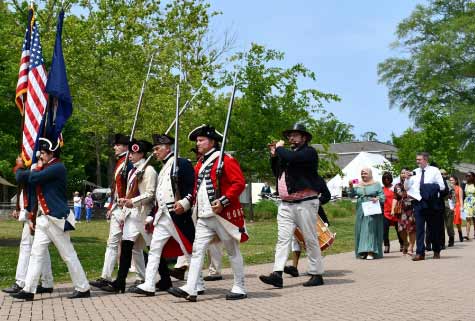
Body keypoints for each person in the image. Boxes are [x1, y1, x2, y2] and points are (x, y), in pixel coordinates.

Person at [168, 124, 248, 301]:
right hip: (204, 215)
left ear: (212, 141)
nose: (198, 143)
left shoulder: (225, 160)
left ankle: (240, 286)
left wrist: (223, 201)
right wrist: (185, 204)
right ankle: (191, 287)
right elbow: (197, 191)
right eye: (197, 140)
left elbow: (239, 183)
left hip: (223, 215)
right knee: (197, 251)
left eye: (201, 140)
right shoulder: (200, 164)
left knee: (232, 250)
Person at [11, 137, 90, 300]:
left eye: (43, 153)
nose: (40, 156)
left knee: (68, 254)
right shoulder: (45, 167)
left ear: (52, 153)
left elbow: (31, 179)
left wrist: (20, 167)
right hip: (43, 218)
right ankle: (29, 289)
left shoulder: (57, 167)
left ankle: (83, 287)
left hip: (55, 218)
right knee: (36, 253)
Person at [129, 133, 196, 296]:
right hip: (162, 216)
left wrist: (185, 203)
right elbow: (160, 196)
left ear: (168, 148)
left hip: (177, 215)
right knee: (154, 249)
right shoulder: (164, 167)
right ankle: (149, 284)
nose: (155, 152)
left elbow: (191, 188)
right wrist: (152, 215)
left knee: (189, 250)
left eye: (158, 148)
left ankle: (197, 283)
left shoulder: (181, 163)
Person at [259, 123, 325, 288]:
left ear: (304, 138)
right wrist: (274, 156)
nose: (291, 138)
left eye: (295, 135)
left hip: (305, 203)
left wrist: (280, 149)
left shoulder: (308, 152)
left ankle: (317, 273)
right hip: (286, 204)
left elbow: (293, 159)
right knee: (283, 239)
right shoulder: (287, 154)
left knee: (310, 238)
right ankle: (277, 273)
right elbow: (277, 172)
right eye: (290, 136)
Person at [99, 139, 156, 293]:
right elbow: (127, 190)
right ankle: (120, 282)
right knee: (127, 249)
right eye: (130, 152)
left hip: (144, 213)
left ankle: (163, 279)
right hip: (131, 213)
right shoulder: (132, 170)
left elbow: (149, 194)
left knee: (154, 249)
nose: (130, 155)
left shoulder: (149, 170)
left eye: (134, 152)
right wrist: (124, 206)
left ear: (141, 154)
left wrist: (132, 201)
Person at [89, 134, 146, 289]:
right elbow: (116, 187)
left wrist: (124, 205)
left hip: (127, 208)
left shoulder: (129, 164)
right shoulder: (121, 162)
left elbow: (133, 188)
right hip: (117, 206)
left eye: (118, 144)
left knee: (134, 246)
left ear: (126, 147)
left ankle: (143, 277)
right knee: (113, 243)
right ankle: (106, 276)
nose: (114, 147)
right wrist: (111, 206)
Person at [2, 166, 54, 295]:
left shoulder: (32, 177)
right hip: (31, 216)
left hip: (33, 217)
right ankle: (47, 282)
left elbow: (34, 199)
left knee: (26, 247)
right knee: (42, 249)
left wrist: (31, 218)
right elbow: (23, 196)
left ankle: (21, 282)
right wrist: (18, 209)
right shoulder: (28, 179)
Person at [284, 176, 331, 277]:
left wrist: (315, 202)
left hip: (315, 214)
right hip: (296, 212)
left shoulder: (317, 178)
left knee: (313, 240)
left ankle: (316, 269)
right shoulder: (293, 178)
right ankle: (294, 268)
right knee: (296, 239)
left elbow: (327, 195)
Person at [405, 152, 445, 261]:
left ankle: (436, 250)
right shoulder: (415, 172)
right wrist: (407, 179)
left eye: (419, 159)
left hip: (431, 203)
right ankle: (420, 253)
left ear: (425, 160)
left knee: (433, 229)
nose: (417, 161)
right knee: (419, 229)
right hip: (418, 203)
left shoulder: (434, 170)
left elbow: (441, 186)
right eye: (417, 159)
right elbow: (407, 188)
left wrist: (427, 188)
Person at [349, 168, 385, 260]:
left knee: (370, 229)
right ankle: (363, 251)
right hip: (361, 209)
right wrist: (351, 186)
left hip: (371, 208)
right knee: (361, 229)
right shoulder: (359, 185)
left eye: (365, 173)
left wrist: (377, 199)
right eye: (362, 173)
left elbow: (382, 197)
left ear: (370, 174)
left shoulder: (376, 184)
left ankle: (371, 251)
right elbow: (352, 195)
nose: (363, 175)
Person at [392, 169, 416, 254]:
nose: (403, 174)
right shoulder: (397, 186)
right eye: (402, 173)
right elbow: (395, 197)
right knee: (401, 229)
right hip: (401, 210)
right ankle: (406, 243)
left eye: (405, 173)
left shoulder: (414, 183)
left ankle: (411, 247)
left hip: (412, 208)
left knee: (412, 228)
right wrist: (392, 209)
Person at [382, 172, 403, 253]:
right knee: (385, 231)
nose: (386, 180)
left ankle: (401, 243)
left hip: (395, 212)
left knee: (398, 230)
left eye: (388, 178)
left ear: (390, 179)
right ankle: (386, 246)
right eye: (384, 178)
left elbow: (399, 197)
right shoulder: (382, 189)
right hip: (386, 212)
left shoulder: (395, 187)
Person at [449, 175, 464, 243]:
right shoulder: (448, 188)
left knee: (457, 223)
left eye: (452, 180)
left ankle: (460, 233)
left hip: (457, 206)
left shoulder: (459, 188)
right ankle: (451, 237)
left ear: (456, 181)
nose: (451, 181)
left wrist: (462, 207)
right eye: (450, 180)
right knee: (449, 223)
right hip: (450, 206)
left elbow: (461, 199)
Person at [463, 171, 475, 240]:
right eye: (466, 176)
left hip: (474, 202)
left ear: (473, 177)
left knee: (474, 219)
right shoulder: (465, 184)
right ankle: (467, 235)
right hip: (467, 202)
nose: (467, 177)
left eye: (469, 176)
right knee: (468, 218)